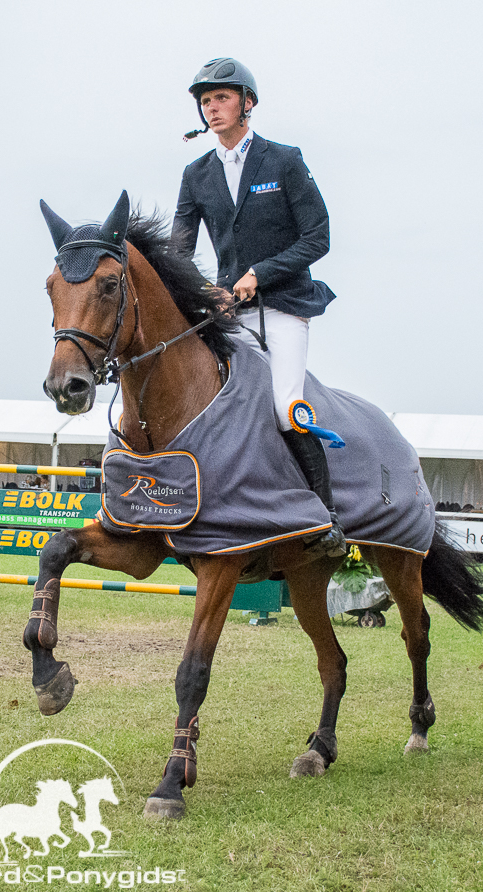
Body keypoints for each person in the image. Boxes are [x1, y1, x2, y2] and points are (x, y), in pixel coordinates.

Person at [172, 57, 345, 555]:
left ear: (247, 103)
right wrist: (204, 291)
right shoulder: (196, 174)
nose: (212, 108)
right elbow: (178, 252)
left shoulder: (283, 160)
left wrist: (258, 274)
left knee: (285, 408)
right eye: (206, 101)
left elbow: (318, 237)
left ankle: (327, 519)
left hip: (283, 305)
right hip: (228, 313)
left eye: (222, 98)